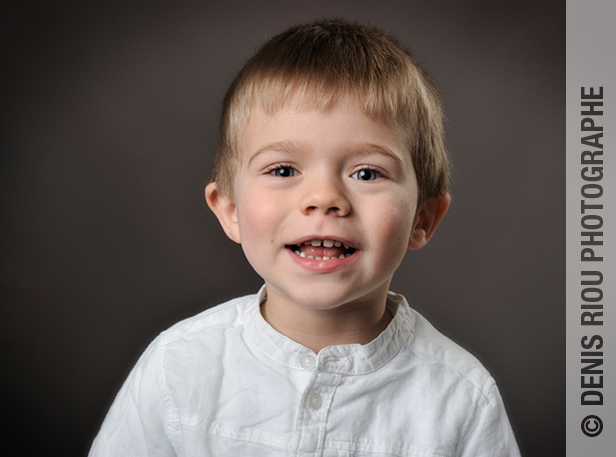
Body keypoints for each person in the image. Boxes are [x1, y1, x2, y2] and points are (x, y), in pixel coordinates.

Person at [89, 19, 521, 457]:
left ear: (423, 219)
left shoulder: (463, 400)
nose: (324, 198)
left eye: (367, 173)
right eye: (283, 170)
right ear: (231, 210)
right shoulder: (176, 367)